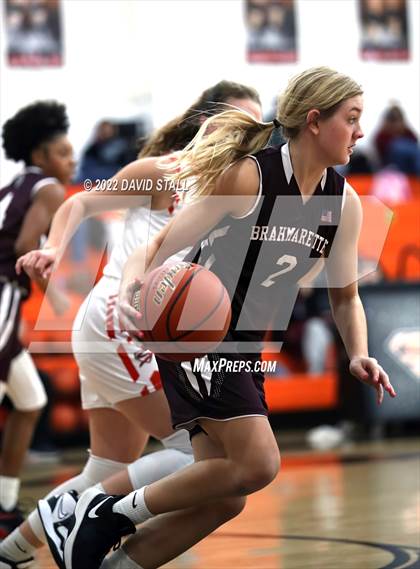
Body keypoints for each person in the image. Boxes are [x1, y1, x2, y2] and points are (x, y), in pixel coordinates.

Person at [24, 67, 397, 569]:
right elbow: (158, 242)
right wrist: (136, 278)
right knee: (259, 463)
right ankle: (102, 512)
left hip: (241, 347)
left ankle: (114, 559)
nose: (360, 132)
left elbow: (346, 297)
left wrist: (360, 353)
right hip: (198, 339)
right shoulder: (248, 176)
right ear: (314, 121)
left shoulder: (344, 203)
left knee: (225, 494)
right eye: (351, 119)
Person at [3, 81, 262, 568]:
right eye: (235, 121)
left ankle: (9, 552)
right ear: (205, 125)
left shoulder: (235, 192)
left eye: (254, 125)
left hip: (127, 331)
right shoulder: (165, 170)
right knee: (201, 457)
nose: (245, 134)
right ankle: (82, 516)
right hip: (121, 323)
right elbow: (81, 202)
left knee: (107, 466)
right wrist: (56, 248)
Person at [0, 101, 74, 538]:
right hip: (4, 291)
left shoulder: (14, 184)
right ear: (42, 155)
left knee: (29, 402)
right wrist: (58, 300)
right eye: (64, 153)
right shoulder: (48, 189)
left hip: (7, 296)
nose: (72, 161)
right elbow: (27, 248)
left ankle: (5, 504)